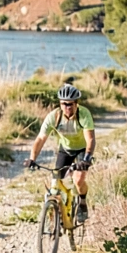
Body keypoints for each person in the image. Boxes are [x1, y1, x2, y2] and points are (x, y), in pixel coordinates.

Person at [24, 83, 96, 222]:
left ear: (76, 103)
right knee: (55, 183)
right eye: (64, 104)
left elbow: (90, 140)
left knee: (78, 179)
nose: (67, 107)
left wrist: (86, 159)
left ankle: (82, 202)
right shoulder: (54, 116)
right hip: (66, 149)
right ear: (59, 103)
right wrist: (32, 159)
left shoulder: (84, 114)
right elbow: (40, 138)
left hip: (82, 150)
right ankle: (53, 218)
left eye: (70, 104)